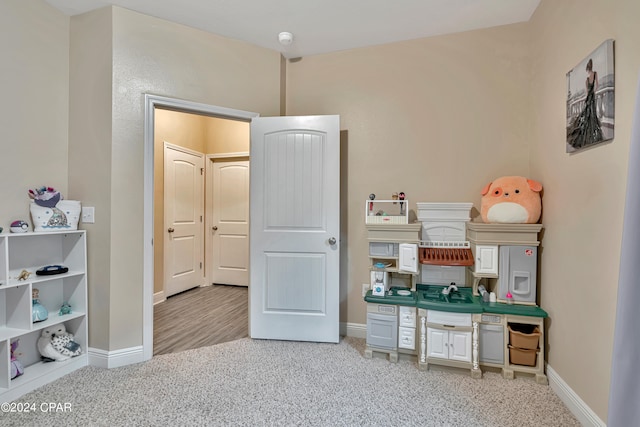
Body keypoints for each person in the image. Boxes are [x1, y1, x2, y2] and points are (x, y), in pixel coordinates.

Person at [567, 58, 603, 149]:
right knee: (592, 114)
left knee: (586, 114)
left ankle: (585, 132)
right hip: (592, 97)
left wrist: (589, 94)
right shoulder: (595, 74)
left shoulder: (586, 80)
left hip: (588, 98)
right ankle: (592, 132)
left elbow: (586, 92)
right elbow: (597, 85)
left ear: (587, 69)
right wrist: (593, 92)